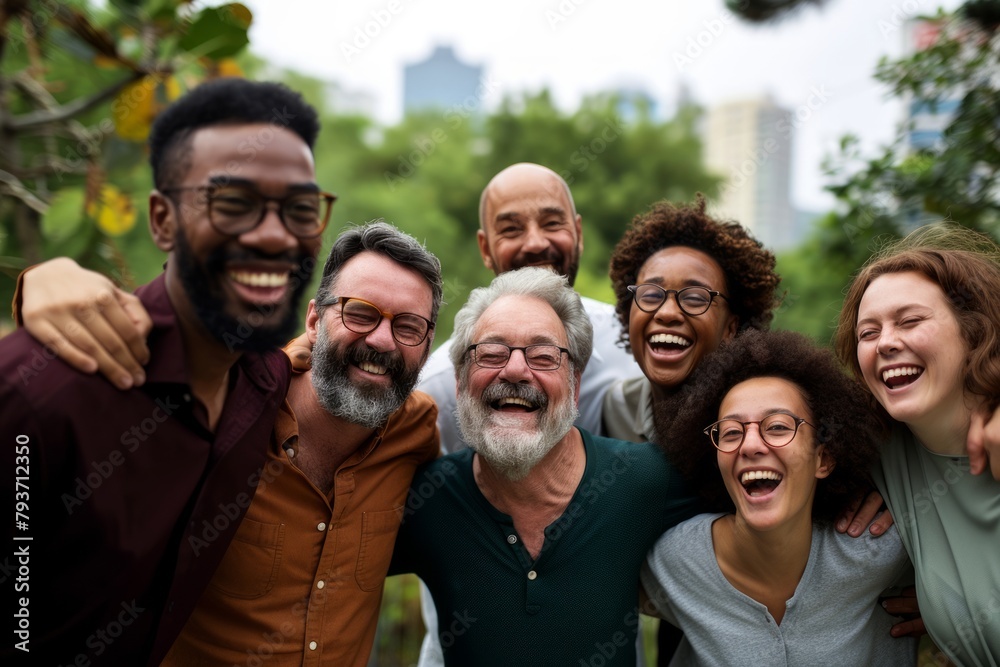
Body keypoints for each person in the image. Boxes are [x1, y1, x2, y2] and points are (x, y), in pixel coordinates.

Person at [0, 78, 327, 665]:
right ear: (162, 219)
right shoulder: (37, 395)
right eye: (233, 203)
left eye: (300, 208)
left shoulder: (260, 385)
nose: (276, 234)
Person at [389, 267, 700, 666]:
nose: (516, 370)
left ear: (574, 382)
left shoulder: (645, 480)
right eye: (492, 352)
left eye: (543, 356)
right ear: (461, 381)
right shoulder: (424, 499)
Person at [642, 329, 917, 665]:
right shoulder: (675, 561)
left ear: (823, 459)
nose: (752, 445)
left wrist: (941, 609)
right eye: (731, 432)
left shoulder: (886, 548)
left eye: (777, 427)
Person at [834, 223, 1000, 666]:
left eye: (910, 321)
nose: (886, 343)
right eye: (868, 333)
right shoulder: (881, 453)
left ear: (975, 331)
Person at [418, 162, 642, 454]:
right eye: (511, 229)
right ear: (485, 249)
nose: (535, 243)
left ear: (578, 234)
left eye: (552, 223)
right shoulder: (441, 387)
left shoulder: (630, 343)